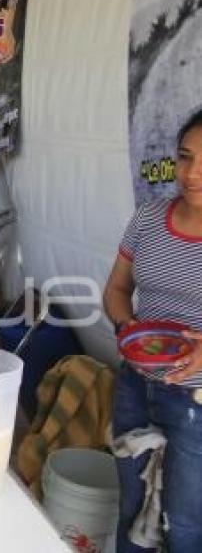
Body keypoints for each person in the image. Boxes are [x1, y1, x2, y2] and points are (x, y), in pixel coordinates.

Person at [103, 109, 202, 553]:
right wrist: (128, 328)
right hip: (135, 385)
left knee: (183, 524)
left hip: (194, 403)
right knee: (132, 507)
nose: (192, 173)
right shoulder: (148, 218)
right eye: (185, 157)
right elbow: (117, 289)